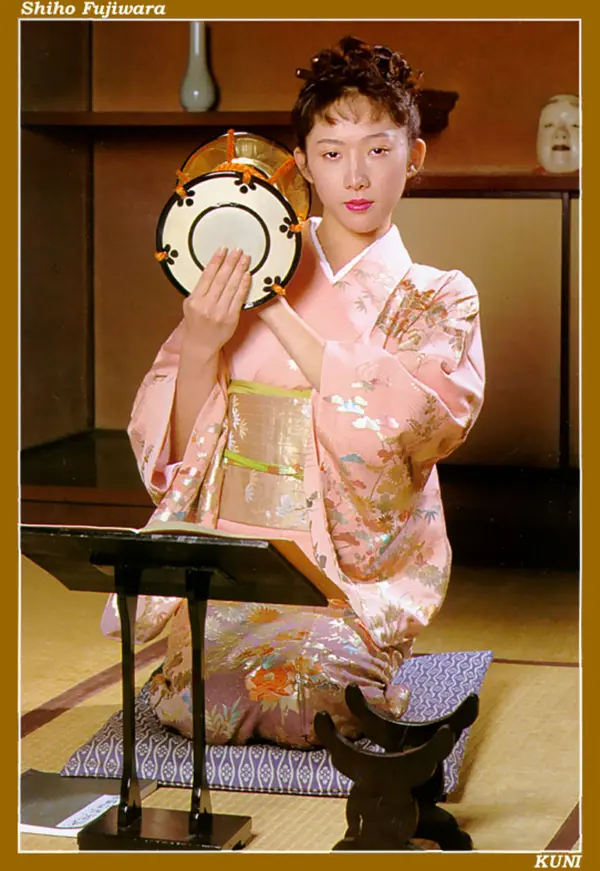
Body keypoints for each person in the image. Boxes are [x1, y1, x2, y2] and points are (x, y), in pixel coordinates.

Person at [101, 36, 485, 749]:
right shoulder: (246, 259)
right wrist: (202, 341)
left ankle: (355, 656)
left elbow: (405, 434)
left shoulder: (439, 297)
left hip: (352, 577)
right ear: (303, 165)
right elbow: (174, 450)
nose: (356, 175)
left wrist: (272, 305)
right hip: (240, 563)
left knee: (313, 696)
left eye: (378, 149)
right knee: (202, 696)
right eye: (332, 154)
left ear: (414, 155)